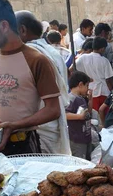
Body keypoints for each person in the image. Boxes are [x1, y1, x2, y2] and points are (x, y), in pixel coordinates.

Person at [0, 0, 61, 155]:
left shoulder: (36, 60)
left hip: (23, 144)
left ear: (4, 26)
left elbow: (53, 110)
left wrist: (16, 125)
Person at [15, 10, 71, 155]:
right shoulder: (52, 51)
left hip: (41, 126)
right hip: (53, 124)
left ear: (22, 30)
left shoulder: (31, 55)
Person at [76, 37, 113, 113]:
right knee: (104, 115)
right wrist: (112, 92)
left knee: (93, 115)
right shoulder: (104, 61)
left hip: (90, 91)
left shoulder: (82, 58)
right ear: (102, 49)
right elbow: (108, 80)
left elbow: (75, 70)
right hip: (104, 92)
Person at [66, 71, 92, 159]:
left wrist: (90, 100)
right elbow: (65, 114)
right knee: (80, 162)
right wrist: (80, 117)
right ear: (80, 84)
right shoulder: (71, 98)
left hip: (85, 137)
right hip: (77, 139)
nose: (88, 89)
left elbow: (88, 113)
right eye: (87, 86)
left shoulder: (81, 99)